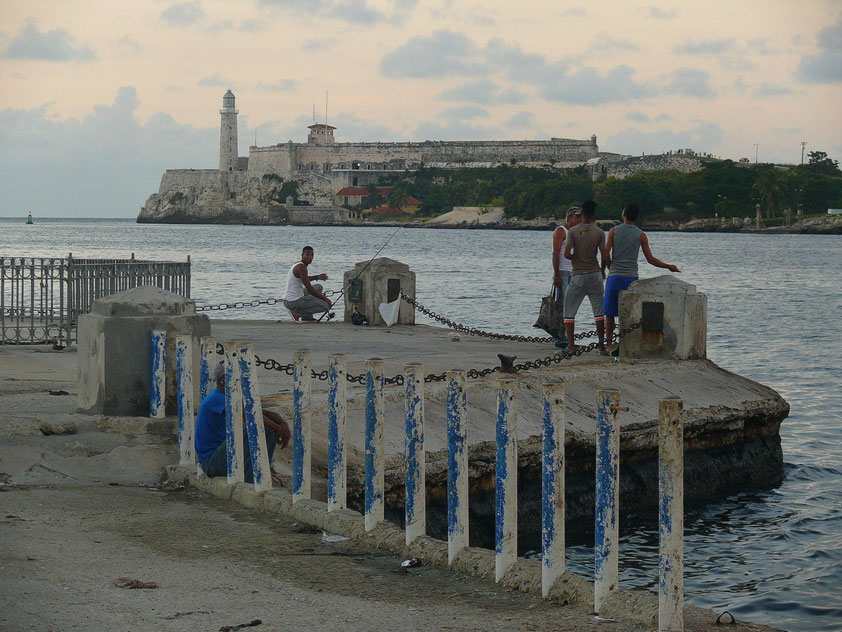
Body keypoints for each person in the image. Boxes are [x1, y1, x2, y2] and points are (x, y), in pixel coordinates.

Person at [195, 362, 290, 483]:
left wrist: (283, 424)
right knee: (266, 430)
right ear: (221, 381)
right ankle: (254, 480)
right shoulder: (216, 398)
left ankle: (259, 473)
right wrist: (278, 429)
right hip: (210, 462)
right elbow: (251, 415)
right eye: (233, 378)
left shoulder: (231, 397)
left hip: (220, 455)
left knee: (265, 428)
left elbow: (263, 413)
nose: (237, 382)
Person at [603, 203, 680, 351]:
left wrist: (607, 266)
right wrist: (669, 266)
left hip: (614, 277)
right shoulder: (641, 235)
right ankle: (626, 343)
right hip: (631, 278)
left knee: (609, 313)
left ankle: (608, 345)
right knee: (629, 312)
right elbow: (650, 259)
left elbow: (606, 254)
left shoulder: (613, 231)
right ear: (637, 217)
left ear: (623, 214)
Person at [562, 199, 610, 355]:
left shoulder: (573, 231)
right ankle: (601, 345)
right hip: (595, 274)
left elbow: (567, 253)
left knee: (569, 310)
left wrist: (577, 258)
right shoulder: (599, 232)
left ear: (582, 213)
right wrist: (602, 270)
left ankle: (570, 345)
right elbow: (604, 255)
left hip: (578, 274)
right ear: (594, 214)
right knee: (598, 311)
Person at [551, 206, 583, 348]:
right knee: (562, 304)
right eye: (577, 216)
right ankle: (559, 337)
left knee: (571, 306)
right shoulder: (561, 231)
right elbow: (556, 253)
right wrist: (556, 273)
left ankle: (568, 337)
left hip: (575, 272)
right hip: (564, 272)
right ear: (570, 217)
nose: (580, 219)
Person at [282, 246, 333, 321]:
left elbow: (304, 278)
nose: (310, 257)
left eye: (312, 255)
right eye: (307, 255)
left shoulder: (298, 265)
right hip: (293, 301)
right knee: (326, 305)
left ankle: (307, 316)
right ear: (302, 255)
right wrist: (324, 298)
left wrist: (317, 277)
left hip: (291, 298)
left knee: (318, 287)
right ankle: (298, 314)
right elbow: (309, 289)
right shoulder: (301, 267)